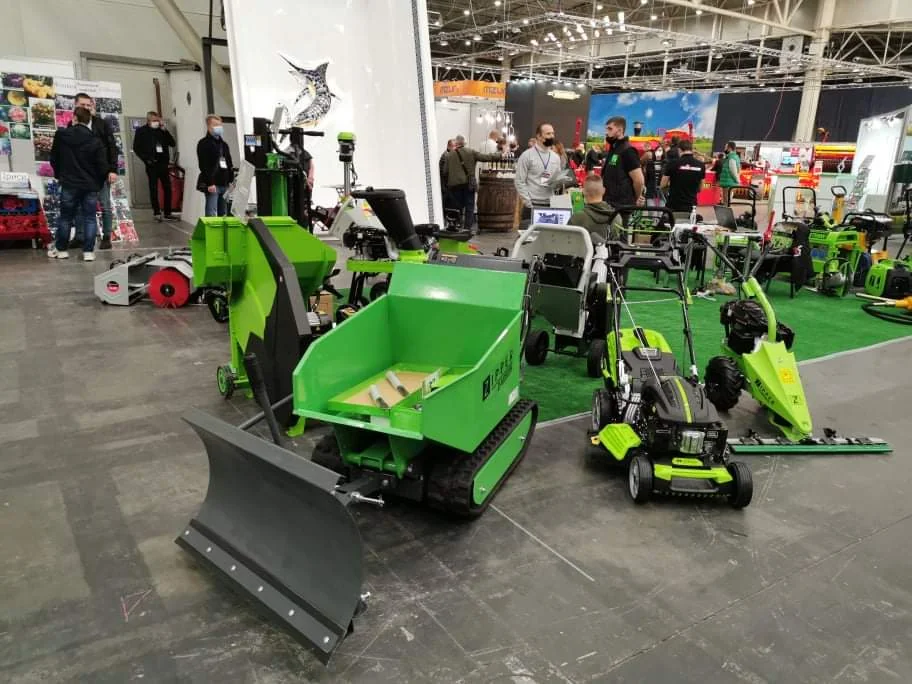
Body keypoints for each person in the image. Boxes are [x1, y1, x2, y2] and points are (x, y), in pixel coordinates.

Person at [47, 106, 108, 261]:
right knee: (90, 218)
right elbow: (102, 166)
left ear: (74, 118)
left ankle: (61, 249)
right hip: (90, 185)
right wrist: (98, 183)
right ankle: (88, 252)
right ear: (89, 121)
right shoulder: (95, 140)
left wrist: (59, 175)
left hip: (69, 183)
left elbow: (54, 158)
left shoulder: (61, 135)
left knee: (66, 217)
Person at [69, 92, 118, 250]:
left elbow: (112, 147)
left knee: (105, 205)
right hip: (80, 173)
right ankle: (80, 237)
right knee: (78, 206)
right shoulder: (71, 125)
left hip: (101, 172)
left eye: (88, 105)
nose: (86, 108)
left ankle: (107, 237)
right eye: (82, 105)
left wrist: (112, 169)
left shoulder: (101, 124)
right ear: (76, 105)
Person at [445, 134, 500, 232]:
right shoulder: (471, 152)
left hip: (454, 186)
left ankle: (457, 227)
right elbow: (485, 157)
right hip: (468, 184)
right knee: (469, 207)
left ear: (456, 143)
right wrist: (499, 155)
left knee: (457, 207)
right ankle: (467, 228)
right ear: (464, 143)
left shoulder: (449, 155)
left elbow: (445, 171)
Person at [132, 110, 176, 222]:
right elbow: (137, 148)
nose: (156, 122)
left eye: (158, 120)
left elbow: (172, 143)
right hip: (151, 164)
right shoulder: (141, 131)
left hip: (163, 163)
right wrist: (146, 160)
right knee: (153, 188)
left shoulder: (161, 131)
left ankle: (168, 213)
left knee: (167, 188)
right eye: (154, 120)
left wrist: (165, 130)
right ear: (148, 120)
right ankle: (156, 212)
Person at [514, 122, 560, 214]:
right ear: (539, 136)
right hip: (532, 204)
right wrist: (528, 203)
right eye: (548, 133)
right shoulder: (527, 155)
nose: (552, 136)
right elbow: (519, 181)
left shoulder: (556, 157)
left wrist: (559, 183)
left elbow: (557, 179)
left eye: (553, 133)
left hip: (550, 204)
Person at [601, 116, 645, 211]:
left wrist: (637, 198)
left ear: (620, 130)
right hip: (609, 204)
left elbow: (639, 180)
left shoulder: (628, 150)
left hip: (621, 207)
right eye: (606, 129)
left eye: (610, 129)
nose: (606, 132)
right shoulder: (614, 148)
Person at [196, 115, 234, 217]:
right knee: (211, 213)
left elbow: (229, 163)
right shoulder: (203, 143)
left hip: (224, 183)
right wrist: (210, 183)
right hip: (213, 184)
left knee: (224, 213)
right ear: (209, 127)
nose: (219, 127)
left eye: (220, 125)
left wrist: (231, 180)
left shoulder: (224, 145)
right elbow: (203, 165)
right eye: (216, 125)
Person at [568, 174, 621, 242]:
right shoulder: (617, 217)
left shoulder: (577, 218)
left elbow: (567, 242)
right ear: (604, 191)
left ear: (583, 192)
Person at [660, 139, 706, 214]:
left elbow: (663, 184)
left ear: (679, 150)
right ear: (691, 149)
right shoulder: (701, 165)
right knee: (689, 221)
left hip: (673, 204)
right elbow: (701, 188)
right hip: (691, 205)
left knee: (668, 221)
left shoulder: (672, 164)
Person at [641, 141, 658, 206]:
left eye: (644, 146)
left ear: (647, 146)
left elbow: (640, 162)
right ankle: (655, 205)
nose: (643, 148)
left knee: (648, 193)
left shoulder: (647, 153)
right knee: (655, 193)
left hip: (647, 175)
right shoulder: (654, 153)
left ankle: (649, 206)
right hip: (653, 175)